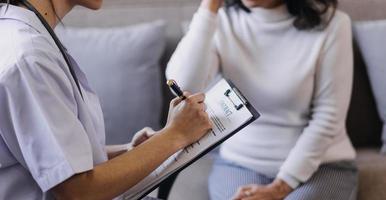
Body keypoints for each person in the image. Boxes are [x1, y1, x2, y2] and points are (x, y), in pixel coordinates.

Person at [0, 0, 212, 199]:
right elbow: (78, 191)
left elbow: (54, 158)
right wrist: (175, 135)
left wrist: (130, 151)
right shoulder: (30, 58)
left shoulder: (24, 36)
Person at [166, 0, 358, 199]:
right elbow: (183, 88)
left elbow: (328, 117)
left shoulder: (334, 24)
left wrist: (282, 186)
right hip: (239, 163)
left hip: (322, 166)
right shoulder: (222, 22)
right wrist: (209, 8)